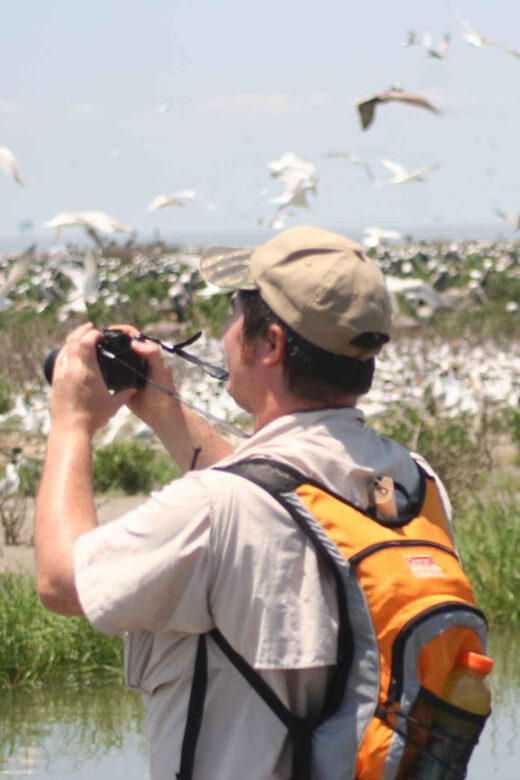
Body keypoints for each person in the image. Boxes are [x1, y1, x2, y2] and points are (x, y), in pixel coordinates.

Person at [35, 225, 486, 780]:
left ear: (270, 344)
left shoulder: (218, 510)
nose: (226, 334)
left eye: (233, 315)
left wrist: (71, 424)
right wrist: (164, 412)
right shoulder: (416, 484)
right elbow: (282, 500)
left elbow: (61, 581)